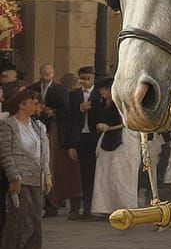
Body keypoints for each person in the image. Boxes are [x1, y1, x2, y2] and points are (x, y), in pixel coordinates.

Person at [0, 87, 52, 249]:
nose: (36, 106)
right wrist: (14, 176)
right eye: (33, 102)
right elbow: (6, 153)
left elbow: (44, 153)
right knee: (18, 220)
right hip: (20, 177)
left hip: (35, 177)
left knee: (34, 220)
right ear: (22, 104)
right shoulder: (8, 125)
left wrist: (47, 175)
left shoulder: (38, 126)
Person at [29, 62, 81, 217]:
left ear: (53, 74)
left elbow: (67, 111)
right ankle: (50, 204)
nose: (47, 77)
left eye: (49, 74)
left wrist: (53, 113)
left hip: (57, 132)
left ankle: (63, 203)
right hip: (38, 128)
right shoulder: (33, 88)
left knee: (58, 168)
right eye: (44, 74)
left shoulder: (60, 90)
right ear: (40, 73)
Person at [89, 77, 142, 218]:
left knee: (122, 175)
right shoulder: (103, 103)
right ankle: (106, 206)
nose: (101, 93)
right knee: (106, 175)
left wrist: (110, 127)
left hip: (124, 141)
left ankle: (125, 207)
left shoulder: (124, 104)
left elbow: (130, 121)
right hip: (107, 141)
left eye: (104, 90)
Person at [68, 66, 98, 217]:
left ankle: (92, 206)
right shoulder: (73, 95)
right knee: (81, 174)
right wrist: (71, 145)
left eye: (88, 78)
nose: (84, 82)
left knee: (94, 173)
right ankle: (80, 207)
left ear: (93, 78)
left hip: (95, 137)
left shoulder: (99, 94)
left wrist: (92, 108)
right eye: (82, 79)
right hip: (80, 136)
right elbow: (70, 120)